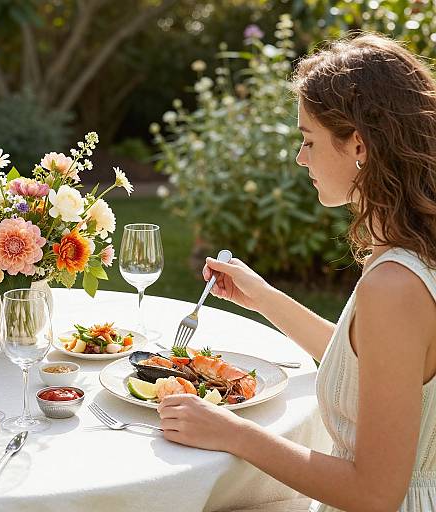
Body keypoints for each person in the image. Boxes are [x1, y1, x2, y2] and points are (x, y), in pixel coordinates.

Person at [157, 32, 436, 512]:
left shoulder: (395, 285)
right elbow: (370, 371)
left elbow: (374, 493)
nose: (300, 157)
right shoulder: (406, 250)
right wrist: (263, 296)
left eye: (308, 140)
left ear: (360, 146)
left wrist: (231, 432)